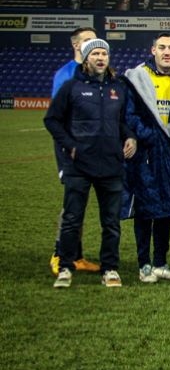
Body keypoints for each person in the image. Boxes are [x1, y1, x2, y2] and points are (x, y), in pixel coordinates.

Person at [46, 39, 137, 288]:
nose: (100, 58)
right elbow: (52, 120)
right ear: (86, 58)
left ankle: (110, 269)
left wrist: (129, 136)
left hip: (111, 165)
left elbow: (119, 122)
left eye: (104, 54)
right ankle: (65, 266)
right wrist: (70, 145)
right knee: (72, 219)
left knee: (111, 222)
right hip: (79, 166)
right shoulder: (71, 87)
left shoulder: (117, 88)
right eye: (95, 53)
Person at [121, 32, 170, 283]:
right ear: (153, 51)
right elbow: (128, 113)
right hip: (146, 152)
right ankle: (144, 264)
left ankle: (161, 262)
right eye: (162, 47)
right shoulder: (136, 77)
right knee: (144, 209)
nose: (167, 52)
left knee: (166, 209)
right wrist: (147, 135)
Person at [49, 27, 100, 275]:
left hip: (92, 149)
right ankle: (60, 253)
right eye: (88, 40)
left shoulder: (98, 74)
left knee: (81, 201)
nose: (93, 44)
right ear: (76, 45)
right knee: (72, 203)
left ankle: (76, 256)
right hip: (71, 150)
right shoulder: (66, 75)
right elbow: (59, 117)